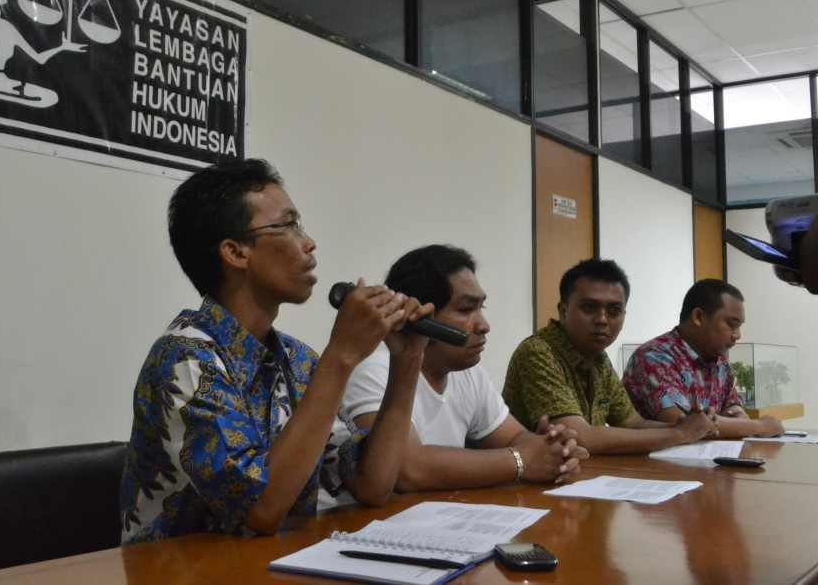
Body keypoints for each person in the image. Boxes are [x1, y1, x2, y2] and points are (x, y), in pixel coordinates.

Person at [120, 159, 432, 544]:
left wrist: (407, 360)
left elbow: (371, 485)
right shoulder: (184, 359)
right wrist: (342, 356)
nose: (309, 242)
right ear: (235, 252)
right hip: (179, 569)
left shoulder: (297, 359)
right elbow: (260, 511)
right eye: (288, 225)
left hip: (270, 564)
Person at [339, 245, 587, 495]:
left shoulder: (468, 371)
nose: (484, 326)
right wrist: (522, 461)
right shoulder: (375, 367)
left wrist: (552, 449)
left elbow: (515, 438)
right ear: (419, 315)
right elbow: (408, 471)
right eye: (466, 310)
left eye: (481, 308)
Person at [501, 258, 718, 455]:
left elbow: (633, 424)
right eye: (589, 308)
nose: (602, 320)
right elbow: (580, 438)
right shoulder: (538, 352)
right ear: (563, 312)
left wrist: (688, 425)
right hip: (526, 479)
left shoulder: (599, 359)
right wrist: (681, 434)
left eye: (614, 311)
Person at [622, 279, 784, 438]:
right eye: (732, 324)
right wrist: (759, 426)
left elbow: (733, 409)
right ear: (698, 317)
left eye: (739, 326)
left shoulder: (720, 362)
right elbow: (687, 425)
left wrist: (739, 416)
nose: (737, 335)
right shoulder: (655, 356)